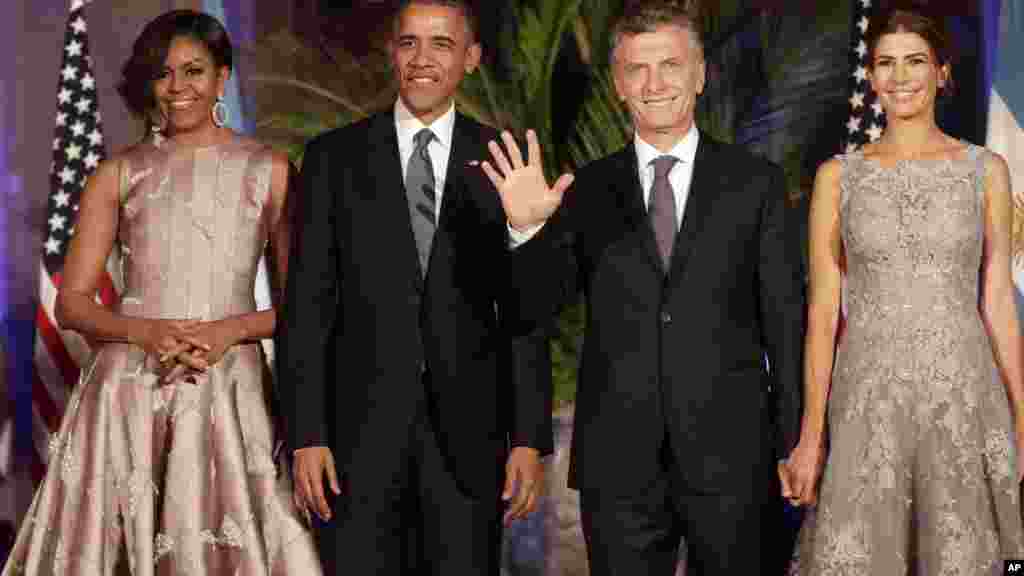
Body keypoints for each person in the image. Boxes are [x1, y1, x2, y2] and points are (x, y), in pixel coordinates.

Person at [483, 1, 805, 574]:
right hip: (619, 464)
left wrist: (795, 442)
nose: (655, 83)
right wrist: (527, 228)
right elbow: (531, 309)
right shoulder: (584, 190)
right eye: (637, 69)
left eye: (671, 66)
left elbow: (785, 324)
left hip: (734, 458)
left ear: (700, 75)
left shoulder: (755, 184)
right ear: (618, 85)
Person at [2, 10, 321, 575]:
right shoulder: (118, 174)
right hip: (129, 387)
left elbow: (306, 303)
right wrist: (145, 332)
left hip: (228, 386)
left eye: (194, 71)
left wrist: (231, 331)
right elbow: (73, 303)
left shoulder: (269, 170)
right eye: (164, 73)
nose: (178, 88)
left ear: (223, 77)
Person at [276, 0, 553, 574]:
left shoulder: (506, 159)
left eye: (442, 44)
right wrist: (306, 434)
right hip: (356, 442)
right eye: (409, 43)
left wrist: (527, 437)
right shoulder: (333, 159)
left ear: (472, 59)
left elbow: (524, 316)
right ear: (391, 53)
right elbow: (306, 309)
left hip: (471, 445)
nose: (422, 59)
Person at [784, 5, 1024, 573]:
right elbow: (822, 313)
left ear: (942, 72)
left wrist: (1023, 416)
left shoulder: (985, 170)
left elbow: (996, 302)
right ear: (871, 76)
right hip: (868, 402)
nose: (900, 77)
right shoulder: (837, 177)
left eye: (915, 61)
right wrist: (810, 435)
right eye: (886, 63)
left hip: (963, 399)